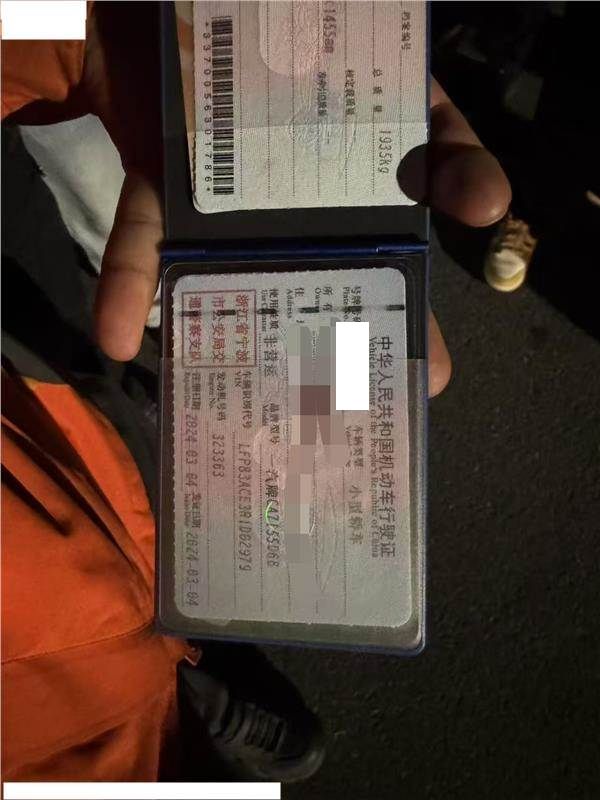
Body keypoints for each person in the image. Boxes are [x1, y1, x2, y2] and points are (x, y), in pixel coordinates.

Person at [1, 1, 511, 784]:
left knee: (189, 492)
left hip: (65, 468)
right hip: (80, 734)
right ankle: (179, 673)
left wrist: (87, 22)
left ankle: (181, 667)